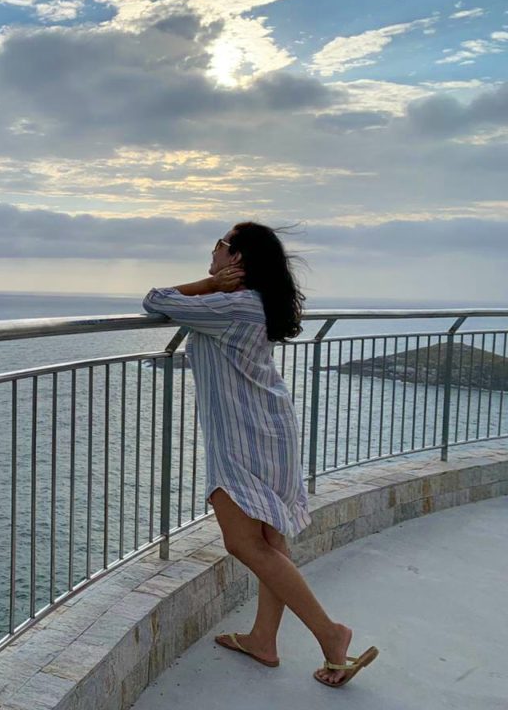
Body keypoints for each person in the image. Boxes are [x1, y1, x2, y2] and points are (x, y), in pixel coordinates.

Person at [142, 222, 378, 688]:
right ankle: (263, 640)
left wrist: (209, 284)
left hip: (244, 437)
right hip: (269, 429)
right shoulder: (252, 303)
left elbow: (156, 299)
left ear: (237, 261)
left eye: (221, 244)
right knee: (271, 542)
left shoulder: (231, 303)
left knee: (243, 543)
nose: (213, 248)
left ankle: (332, 634)